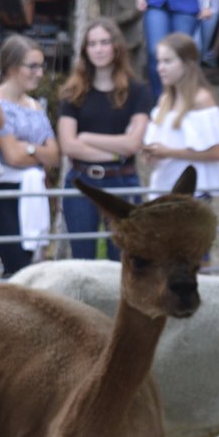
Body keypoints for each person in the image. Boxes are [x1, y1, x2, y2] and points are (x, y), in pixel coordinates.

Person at [56, 19, 151, 261]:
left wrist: (86, 137)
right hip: (82, 181)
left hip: (122, 180)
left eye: (104, 42)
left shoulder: (137, 91)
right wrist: (117, 150)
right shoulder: (73, 92)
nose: (98, 49)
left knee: (122, 259)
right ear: (85, 50)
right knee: (82, 259)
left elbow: (133, 144)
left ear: (116, 46)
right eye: (92, 44)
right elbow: (68, 145)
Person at [0, 34, 60, 277]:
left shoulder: (36, 106)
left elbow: (55, 156)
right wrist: (37, 153)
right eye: (32, 66)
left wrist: (29, 148)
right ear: (12, 67)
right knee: (18, 269)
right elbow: (12, 156)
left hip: (32, 192)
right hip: (0, 194)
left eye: (41, 66)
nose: (39, 73)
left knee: (30, 271)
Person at [141, 32, 219, 199]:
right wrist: (152, 155)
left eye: (168, 61)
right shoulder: (164, 100)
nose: (160, 68)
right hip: (163, 188)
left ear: (186, 64)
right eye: (159, 61)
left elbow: (216, 153)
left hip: (193, 192)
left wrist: (170, 152)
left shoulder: (202, 100)